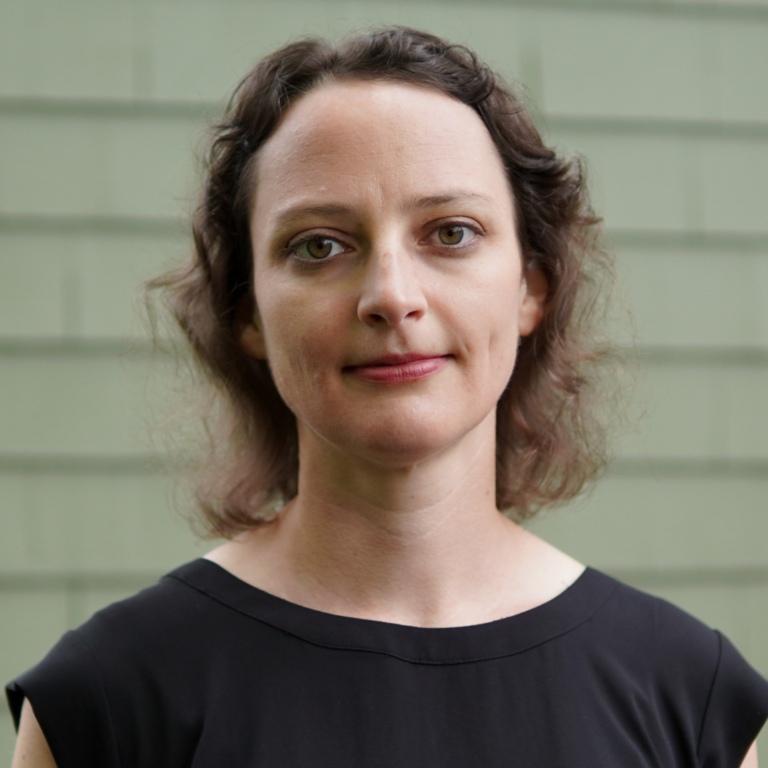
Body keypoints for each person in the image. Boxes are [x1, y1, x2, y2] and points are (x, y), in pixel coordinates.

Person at [7, 27, 768, 768]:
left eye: (451, 233)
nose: (391, 297)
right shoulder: (111, 702)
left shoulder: (683, 693)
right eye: (319, 245)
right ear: (248, 315)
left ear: (531, 287)